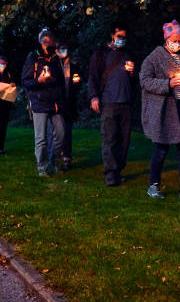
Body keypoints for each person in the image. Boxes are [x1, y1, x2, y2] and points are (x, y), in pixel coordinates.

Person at [140, 20, 180, 201]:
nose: (178, 43)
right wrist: (168, 84)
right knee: (161, 149)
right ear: (167, 39)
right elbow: (145, 80)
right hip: (165, 111)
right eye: (174, 39)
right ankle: (154, 185)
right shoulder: (155, 57)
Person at [87, 23, 137, 186]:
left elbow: (133, 80)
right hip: (109, 102)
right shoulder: (101, 54)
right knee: (109, 139)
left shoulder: (128, 54)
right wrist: (94, 97)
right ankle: (110, 174)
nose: (122, 40)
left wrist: (132, 74)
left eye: (124, 37)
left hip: (126, 101)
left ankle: (117, 171)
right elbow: (93, 76)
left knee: (124, 140)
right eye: (119, 36)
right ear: (112, 35)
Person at [21, 28, 67, 176]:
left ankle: (53, 160)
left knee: (60, 134)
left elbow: (61, 79)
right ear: (40, 42)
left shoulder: (56, 58)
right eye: (44, 40)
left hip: (55, 102)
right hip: (39, 102)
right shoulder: (33, 57)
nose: (47, 43)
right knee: (41, 138)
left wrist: (54, 80)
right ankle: (42, 167)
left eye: (49, 40)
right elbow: (26, 81)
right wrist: (38, 81)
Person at [49, 41, 82, 170]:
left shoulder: (73, 66)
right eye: (60, 49)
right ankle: (54, 157)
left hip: (69, 103)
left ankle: (67, 157)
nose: (63, 52)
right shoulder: (53, 65)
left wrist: (77, 81)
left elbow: (78, 81)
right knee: (57, 132)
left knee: (67, 131)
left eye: (65, 49)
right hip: (57, 103)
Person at [0, 55, 17, 155]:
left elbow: (13, 83)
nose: (2, 65)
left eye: (4, 63)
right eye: (1, 63)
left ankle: (1, 146)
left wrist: (12, 85)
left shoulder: (8, 74)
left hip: (6, 101)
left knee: (4, 124)